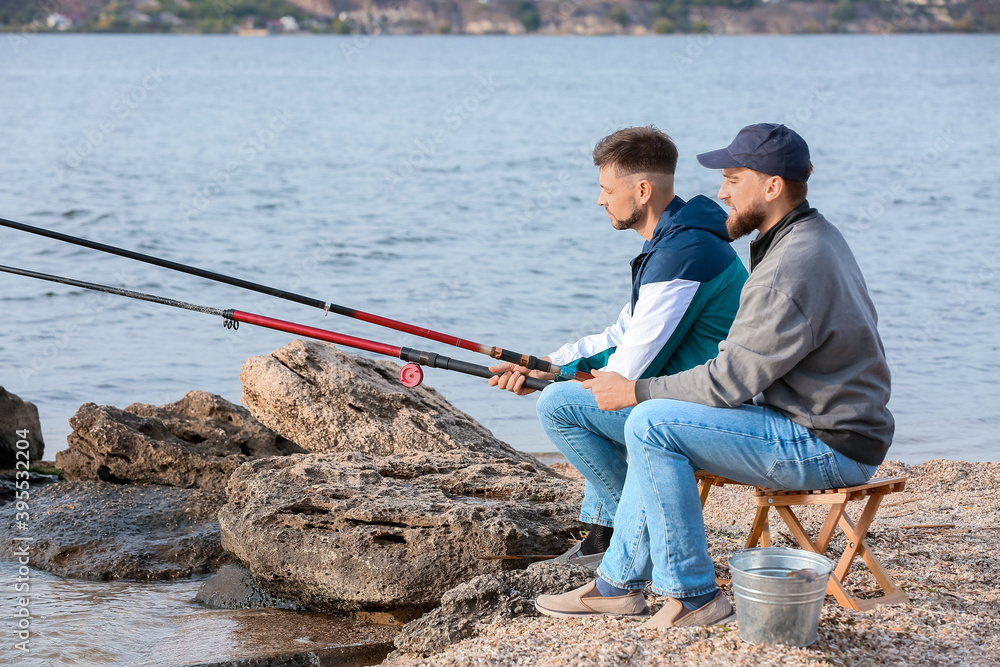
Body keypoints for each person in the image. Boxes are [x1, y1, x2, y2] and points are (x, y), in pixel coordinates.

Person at [534, 123, 894, 629]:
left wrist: (637, 389)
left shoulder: (790, 265)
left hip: (824, 442)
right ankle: (618, 585)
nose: (721, 192)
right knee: (652, 418)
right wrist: (559, 369)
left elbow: (729, 381)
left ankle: (695, 597)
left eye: (732, 178)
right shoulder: (811, 236)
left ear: (772, 186)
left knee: (651, 423)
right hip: (828, 424)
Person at [489, 126, 748, 568]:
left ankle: (629, 538)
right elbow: (620, 336)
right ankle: (604, 538)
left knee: (558, 406)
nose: (600, 200)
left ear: (642, 190)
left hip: (712, 414)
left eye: (607, 189)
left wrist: (547, 384)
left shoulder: (682, 254)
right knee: (568, 391)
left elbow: (626, 371)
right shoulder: (677, 241)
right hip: (691, 399)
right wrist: (548, 365)